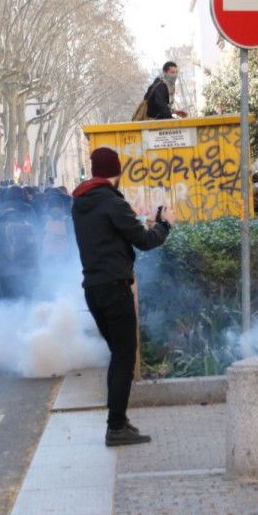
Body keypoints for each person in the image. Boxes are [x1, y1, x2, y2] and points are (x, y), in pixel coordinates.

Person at [71, 147, 175, 446]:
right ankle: (116, 427)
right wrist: (165, 224)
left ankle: (118, 420)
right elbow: (144, 241)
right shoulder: (112, 202)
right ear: (116, 171)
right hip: (115, 287)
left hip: (93, 288)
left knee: (117, 354)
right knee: (124, 355)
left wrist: (142, 221)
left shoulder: (80, 203)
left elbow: (110, 235)